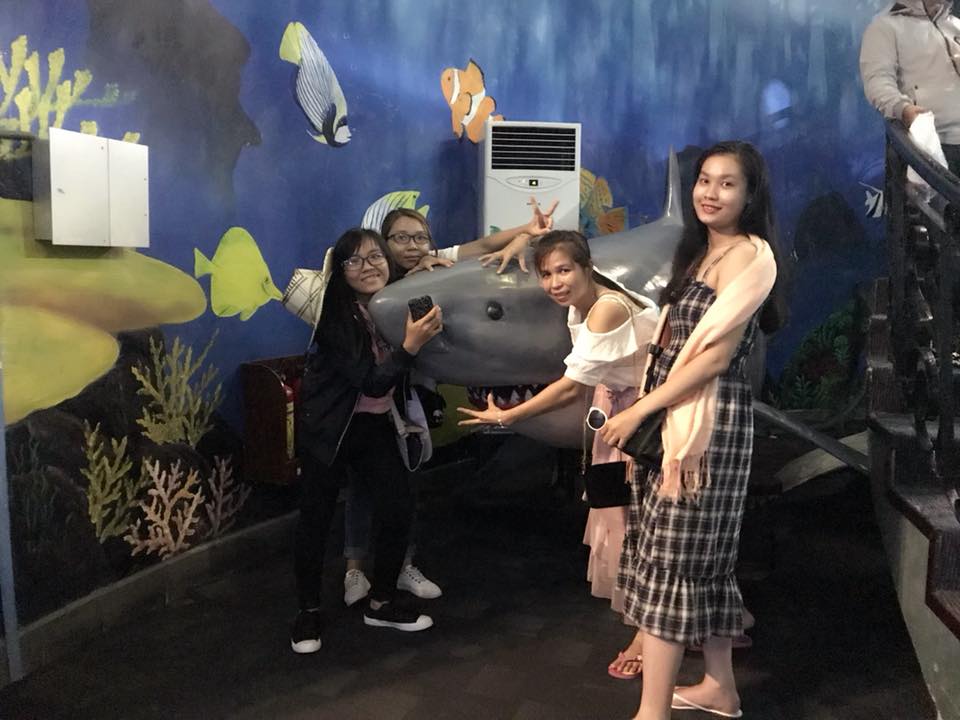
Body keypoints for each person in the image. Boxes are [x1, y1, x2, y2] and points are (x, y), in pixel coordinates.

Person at [597, 141, 785, 720]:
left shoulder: (749, 256)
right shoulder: (702, 252)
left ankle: (651, 713)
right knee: (699, 560)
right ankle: (720, 689)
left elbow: (713, 360)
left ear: (750, 195)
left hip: (705, 432)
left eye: (728, 183)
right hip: (676, 423)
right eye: (705, 180)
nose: (711, 192)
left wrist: (639, 411)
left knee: (675, 564)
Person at [341, 202, 558, 607]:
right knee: (361, 488)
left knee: (405, 488)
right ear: (384, 244)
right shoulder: (368, 283)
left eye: (419, 238)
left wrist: (526, 231)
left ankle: (401, 564)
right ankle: (354, 569)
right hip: (363, 402)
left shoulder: (435, 264)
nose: (412, 246)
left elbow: (482, 246)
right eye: (400, 238)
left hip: (407, 400)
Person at [455, 229, 659, 632]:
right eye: (546, 274)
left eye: (564, 271)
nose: (554, 283)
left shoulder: (606, 308)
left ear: (587, 267)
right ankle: (644, 625)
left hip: (639, 421)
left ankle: (650, 631)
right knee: (616, 511)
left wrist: (509, 416)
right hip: (616, 412)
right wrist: (522, 240)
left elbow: (571, 387)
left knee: (636, 523)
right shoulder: (583, 303)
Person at [291, 227, 444, 654]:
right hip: (330, 429)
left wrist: (427, 265)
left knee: (398, 507)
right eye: (354, 261)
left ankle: (382, 601)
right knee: (316, 520)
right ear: (340, 271)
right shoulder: (334, 317)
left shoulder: (391, 303)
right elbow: (372, 382)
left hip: (374, 426)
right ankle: (307, 613)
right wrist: (411, 345)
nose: (368, 267)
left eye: (376, 256)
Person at [860, 0, 960, 174]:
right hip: (931, 147)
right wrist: (903, 109)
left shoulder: (955, 25)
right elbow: (877, 82)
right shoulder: (884, 27)